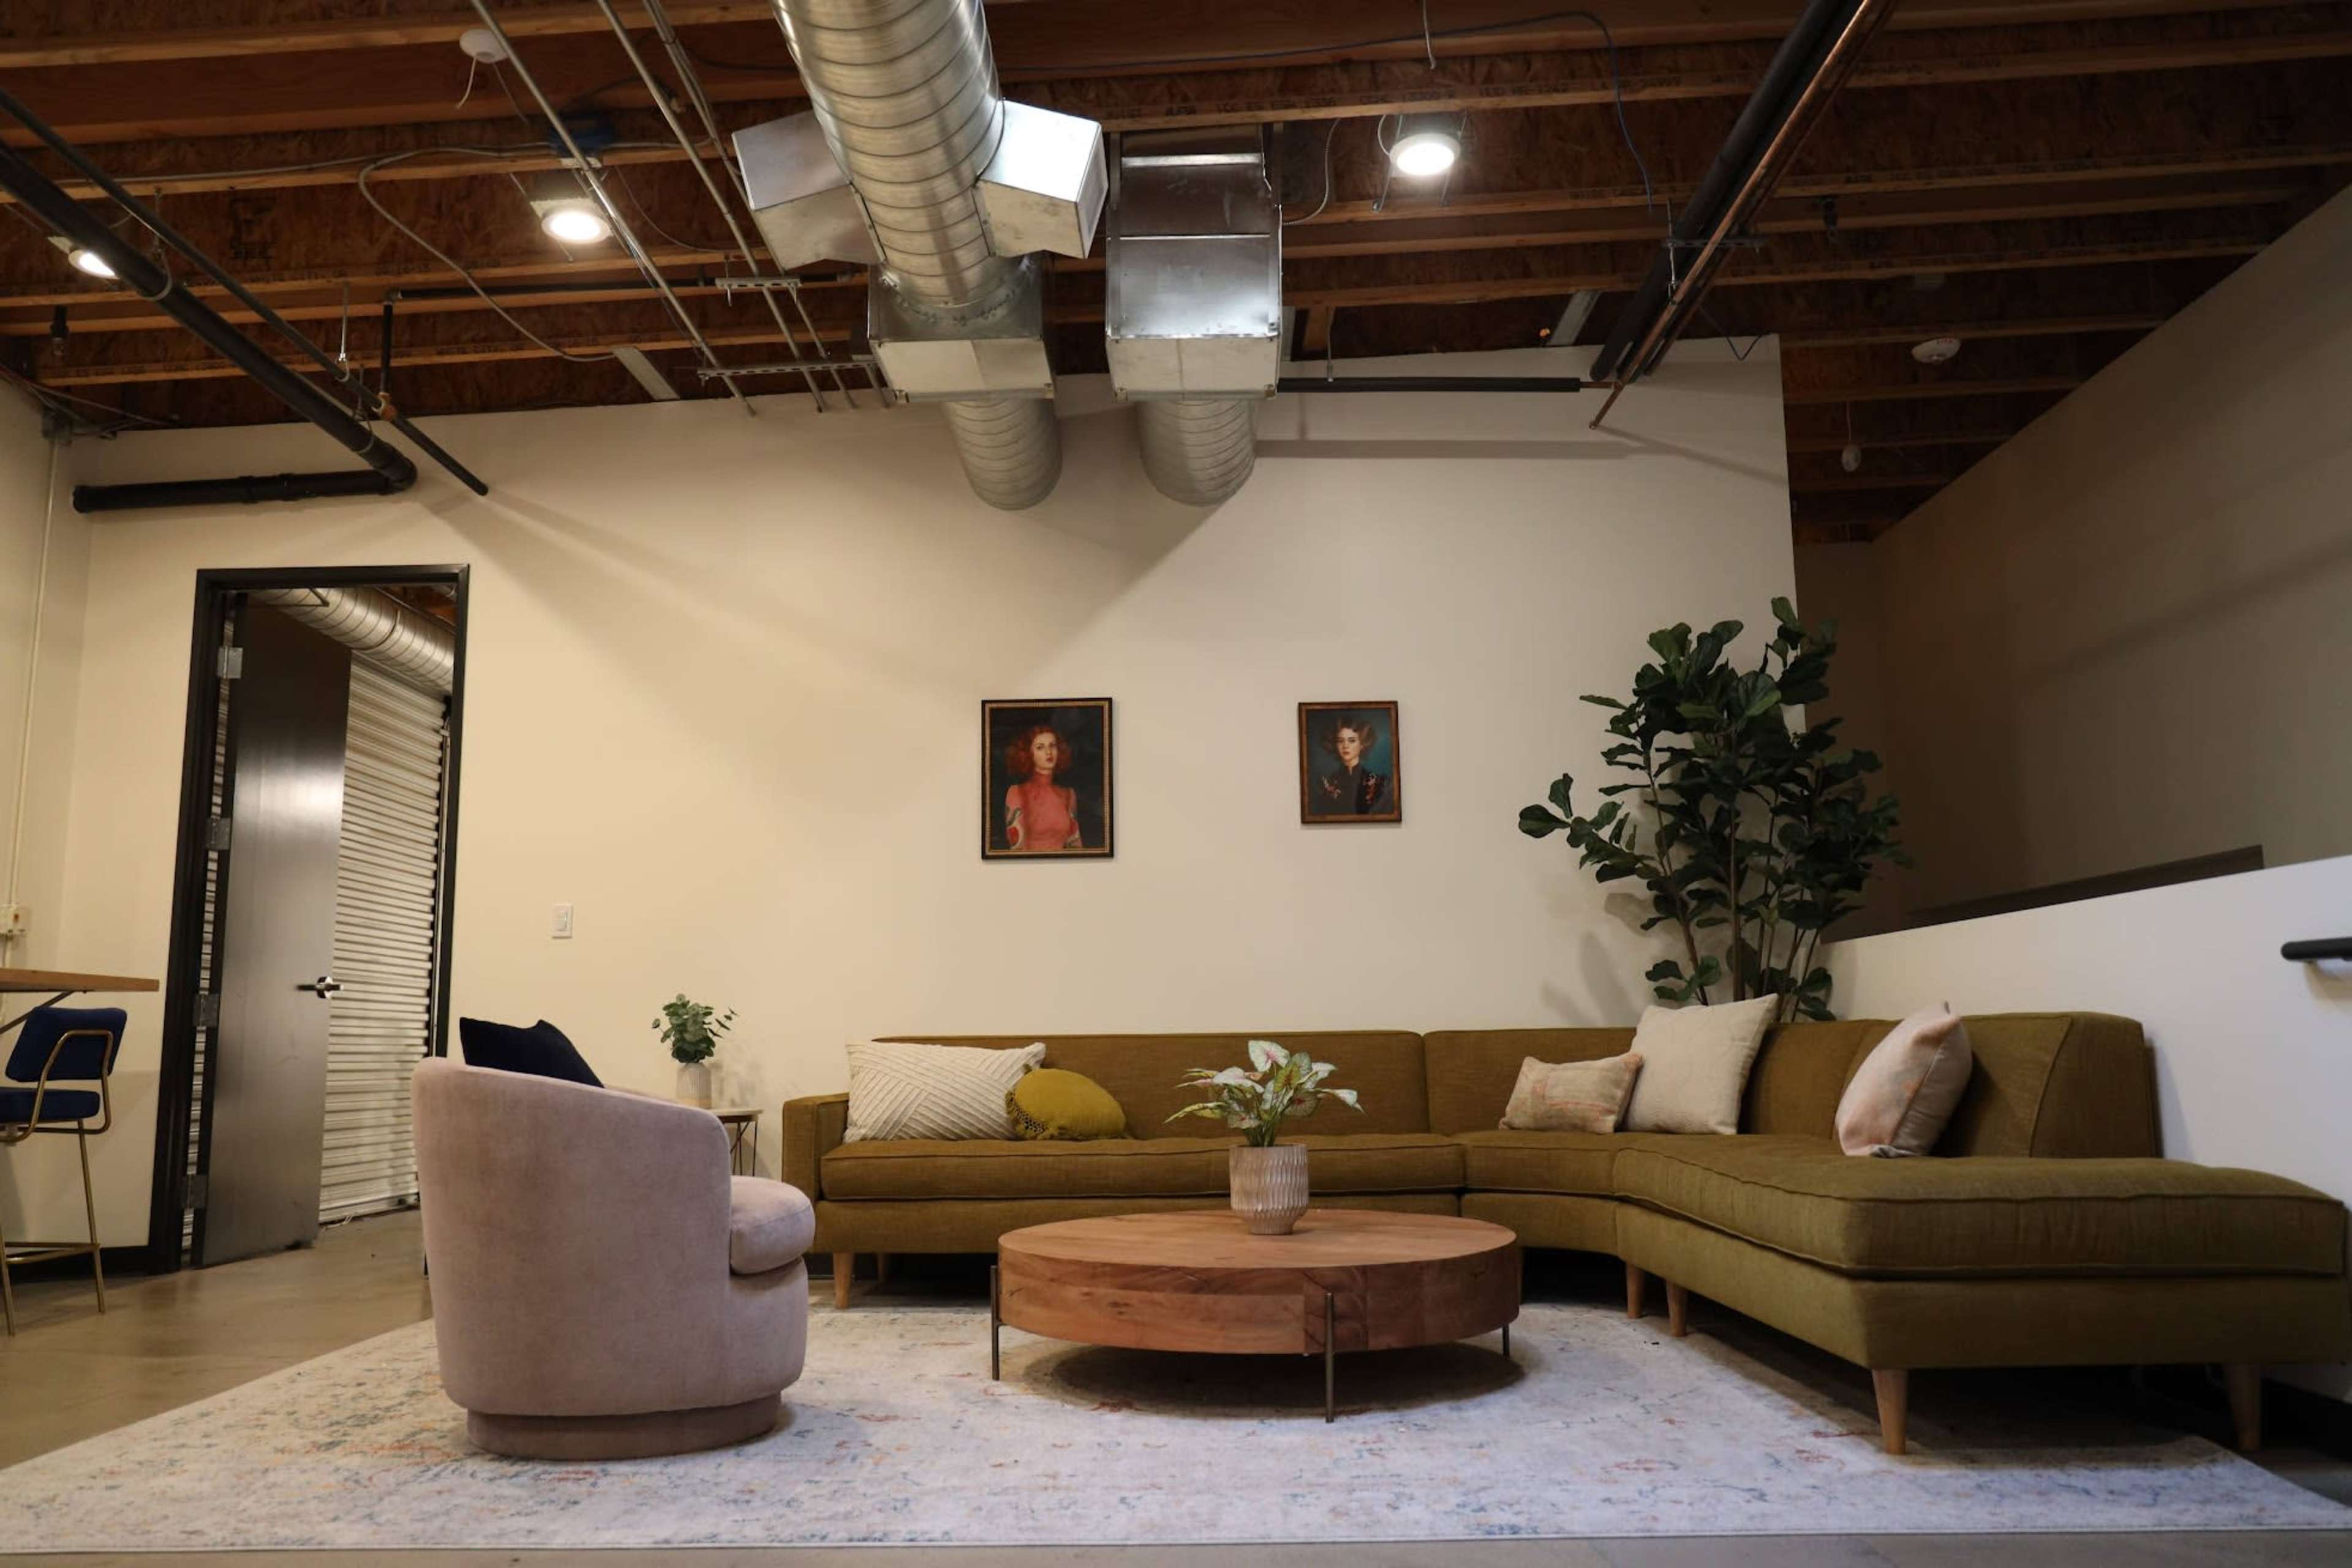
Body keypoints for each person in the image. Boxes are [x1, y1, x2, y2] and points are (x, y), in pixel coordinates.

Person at [1003, 725, 1084, 851]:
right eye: (1040, 747)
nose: (1048, 752)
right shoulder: (1017, 792)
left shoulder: (1068, 794)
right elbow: (1016, 848)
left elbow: (1075, 845)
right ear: (1029, 754)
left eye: (1053, 746)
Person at [1313, 716, 1393, 816]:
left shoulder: (1380, 783)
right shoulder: (1327, 784)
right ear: (1335, 744)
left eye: (1352, 740)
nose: (1345, 746)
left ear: (1362, 744)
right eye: (1340, 741)